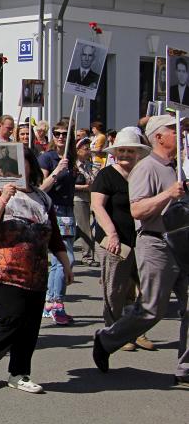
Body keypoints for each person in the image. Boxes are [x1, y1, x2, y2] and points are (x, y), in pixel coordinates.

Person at [92, 115, 189, 386]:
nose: (180, 133)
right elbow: (138, 210)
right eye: (174, 130)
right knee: (151, 309)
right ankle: (107, 338)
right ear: (158, 137)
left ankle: (186, 368)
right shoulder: (146, 168)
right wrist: (169, 194)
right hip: (156, 243)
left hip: (182, 242)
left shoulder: (175, 166)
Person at [0, 149, 71, 393]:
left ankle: (19, 373)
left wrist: (66, 264)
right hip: (2, 267)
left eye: (24, 163)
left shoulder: (42, 197)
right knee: (13, 317)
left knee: (30, 326)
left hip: (35, 270)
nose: (19, 168)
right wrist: (4, 198)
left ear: (31, 167)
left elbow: (55, 236)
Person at [90, 128, 155, 351]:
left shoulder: (142, 174)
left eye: (130, 151)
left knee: (143, 288)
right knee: (115, 289)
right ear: (115, 152)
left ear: (138, 153)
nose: (125, 155)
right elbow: (97, 206)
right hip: (114, 241)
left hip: (141, 238)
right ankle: (114, 332)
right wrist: (112, 234)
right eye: (122, 151)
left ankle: (137, 331)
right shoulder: (106, 175)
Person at [38, 120, 78, 324]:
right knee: (66, 259)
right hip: (55, 210)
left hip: (69, 211)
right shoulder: (47, 158)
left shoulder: (71, 158)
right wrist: (56, 172)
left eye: (64, 133)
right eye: (57, 133)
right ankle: (56, 301)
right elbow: (41, 188)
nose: (61, 137)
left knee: (58, 261)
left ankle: (51, 303)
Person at [73, 137, 99, 266]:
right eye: (85, 149)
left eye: (89, 148)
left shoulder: (88, 164)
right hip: (77, 199)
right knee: (85, 228)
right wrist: (84, 187)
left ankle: (64, 244)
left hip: (89, 198)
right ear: (77, 150)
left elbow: (92, 180)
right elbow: (68, 185)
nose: (89, 151)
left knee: (81, 228)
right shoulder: (73, 165)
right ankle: (88, 256)